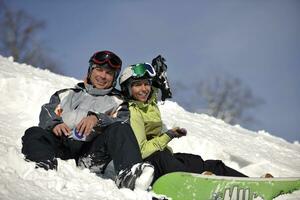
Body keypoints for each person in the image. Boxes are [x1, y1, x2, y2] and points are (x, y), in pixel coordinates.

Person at [21, 51, 154, 190]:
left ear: (114, 77)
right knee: (34, 132)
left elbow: (122, 122)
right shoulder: (66, 94)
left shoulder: (118, 101)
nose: (103, 75)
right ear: (90, 70)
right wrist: (55, 123)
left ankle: (129, 175)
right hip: (60, 144)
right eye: (99, 69)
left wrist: (98, 118)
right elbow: (49, 111)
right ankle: (43, 166)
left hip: (91, 154)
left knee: (121, 128)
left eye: (109, 73)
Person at [118, 63, 248, 184]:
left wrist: (159, 76)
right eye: (137, 85)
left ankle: (250, 183)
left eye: (147, 84)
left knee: (201, 163)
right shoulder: (132, 112)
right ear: (128, 89)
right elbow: (141, 151)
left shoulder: (148, 104)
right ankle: (198, 184)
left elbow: (155, 89)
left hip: (164, 158)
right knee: (164, 158)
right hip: (147, 166)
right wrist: (168, 135)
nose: (144, 89)